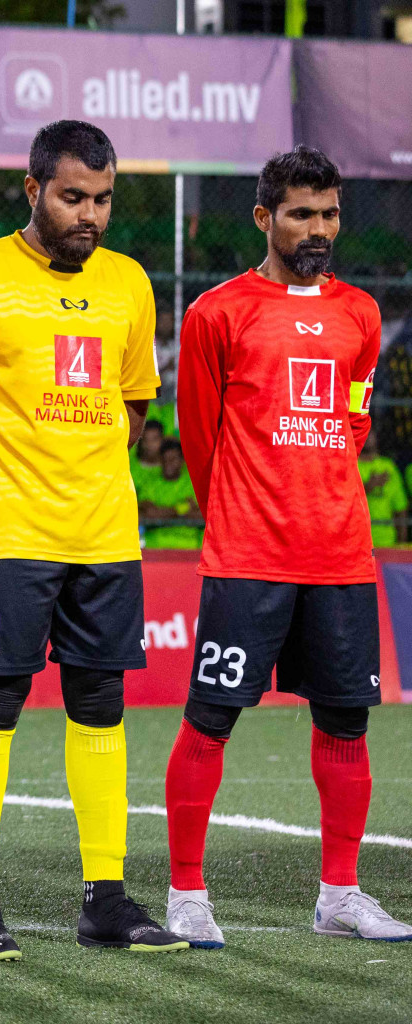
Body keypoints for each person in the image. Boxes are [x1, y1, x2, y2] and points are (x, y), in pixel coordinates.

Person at [0, 119, 187, 959]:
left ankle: (105, 898)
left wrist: (91, 465)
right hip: (6, 533)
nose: (91, 215)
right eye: (74, 197)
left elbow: (133, 402)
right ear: (32, 191)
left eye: (103, 199)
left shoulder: (130, 284)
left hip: (105, 535)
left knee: (100, 704)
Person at [165, 145, 412, 947]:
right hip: (247, 556)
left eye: (330, 213)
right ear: (265, 217)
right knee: (211, 721)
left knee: (346, 725)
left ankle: (339, 895)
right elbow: (200, 438)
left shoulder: (360, 316)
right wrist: (241, 510)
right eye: (301, 213)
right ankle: (187, 895)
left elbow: (353, 420)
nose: (319, 229)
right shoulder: (216, 312)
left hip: (340, 555)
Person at [138, 439, 203, 550]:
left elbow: (202, 515)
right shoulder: (150, 483)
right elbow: (149, 513)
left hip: (190, 545)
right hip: (156, 546)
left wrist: (163, 513)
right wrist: (182, 508)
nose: (169, 463)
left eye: (174, 459)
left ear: (182, 460)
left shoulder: (194, 482)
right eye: (165, 459)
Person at [358, 429, 406, 546]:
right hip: (357, 542)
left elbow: (400, 507)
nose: (368, 436)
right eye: (363, 431)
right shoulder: (349, 463)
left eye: (370, 432)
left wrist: (402, 543)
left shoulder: (388, 467)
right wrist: (369, 486)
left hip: (387, 541)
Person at [130, 418, 164, 492]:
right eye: (145, 439)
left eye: (154, 439)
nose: (149, 444)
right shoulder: (129, 466)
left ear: (163, 440)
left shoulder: (170, 468)